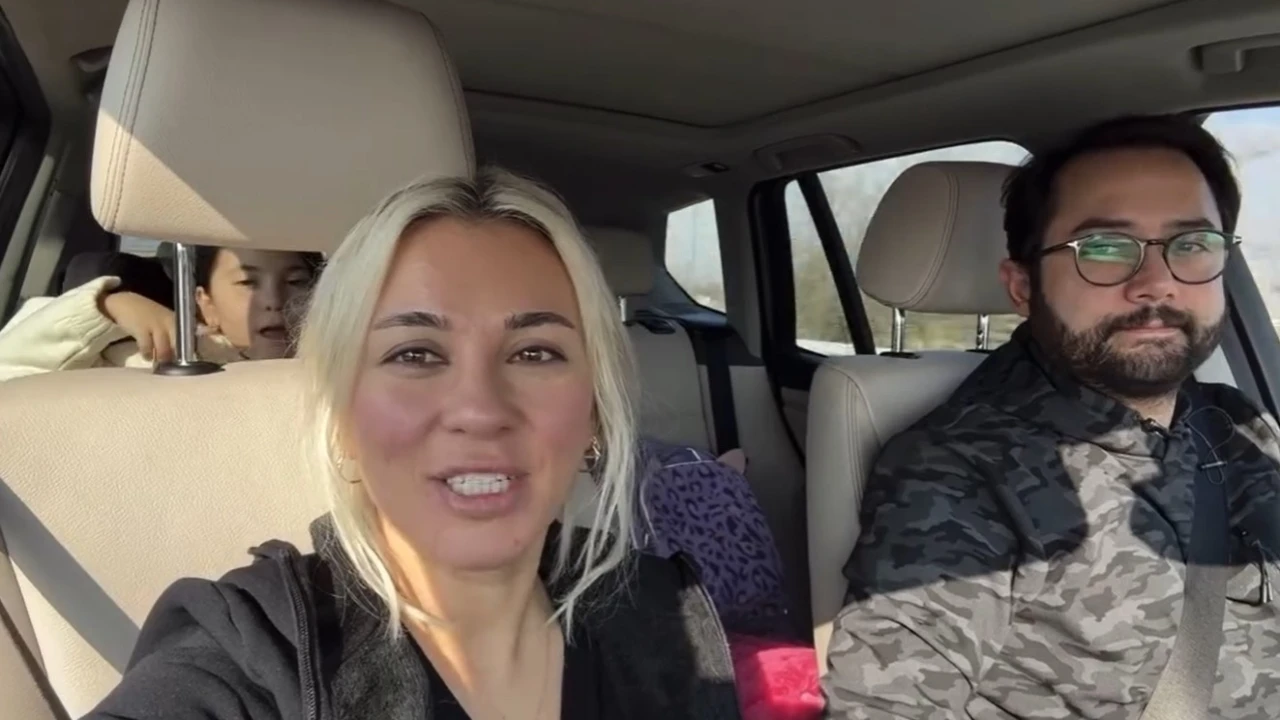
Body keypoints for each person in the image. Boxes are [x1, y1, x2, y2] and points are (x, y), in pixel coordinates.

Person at [82, 169, 742, 720]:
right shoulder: (252, 651)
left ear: (593, 413)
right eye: (415, 353)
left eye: (534, 352)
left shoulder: (665, 613)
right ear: (343, 416)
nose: (480, 410)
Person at [823, 115, 1280, 719]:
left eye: (1192, 245)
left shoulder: (1238, 421)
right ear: (1022, 287)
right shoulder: (961, 469)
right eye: (1104, 248)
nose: (1157, 284)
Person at [0, 245, 321, 380]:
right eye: (247, 282)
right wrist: (105, 309)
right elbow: (12, 371)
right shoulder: (160, 358)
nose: (275, 300)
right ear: (206, 304)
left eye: (296, 281)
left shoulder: (334, 369)